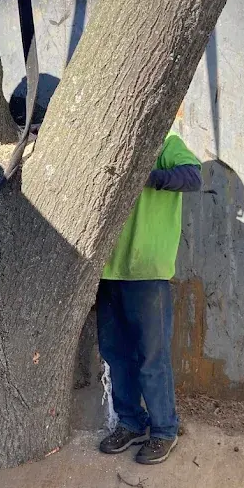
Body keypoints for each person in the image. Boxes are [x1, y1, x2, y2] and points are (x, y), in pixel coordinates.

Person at [98, 133, 202, 464]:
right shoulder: (104, 145)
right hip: (107, 269)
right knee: (115, 353)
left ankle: (164, 430)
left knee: (151, 356)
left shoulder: (166, 141)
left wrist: (145, 176)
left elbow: (192, 177)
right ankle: (131, 424)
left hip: (147, 270)